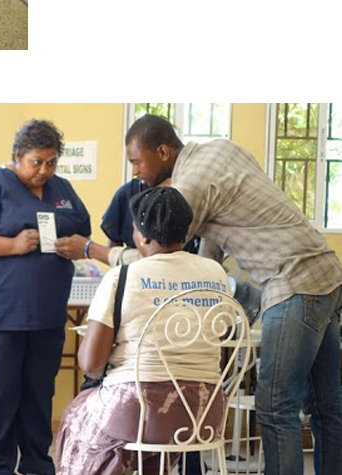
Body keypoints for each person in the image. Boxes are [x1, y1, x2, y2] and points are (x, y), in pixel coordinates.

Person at [125, 113, 342, 475]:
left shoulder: (187, 188)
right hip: (327, 275)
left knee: (275, 407)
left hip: (291, 282)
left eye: (135, 160)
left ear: (162, 151)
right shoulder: (221, 149)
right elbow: (213, 237)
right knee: (326, 406)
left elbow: (161, 255)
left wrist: (100, 252)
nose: (134, 171)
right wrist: (206, 273)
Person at [0, 118, 93, 475]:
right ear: (16, 157)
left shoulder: (62, 189)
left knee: (38, 397)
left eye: (51, 162)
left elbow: (81, 230)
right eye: (36, 162)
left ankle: (36, 465)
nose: (44, 170)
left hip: (45, 316)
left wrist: (77, 248)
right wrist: (11, 245)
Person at [55, 186, 232, 475]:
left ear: (141, 235)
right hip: (205, 413)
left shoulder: (124, 276)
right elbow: (222, 331)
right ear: (185, 231)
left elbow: (90, 364)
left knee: (79, 414)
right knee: (131, 434)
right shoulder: (216, 273)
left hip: (143, 412)